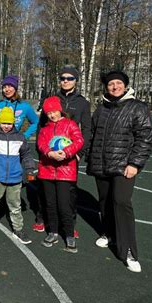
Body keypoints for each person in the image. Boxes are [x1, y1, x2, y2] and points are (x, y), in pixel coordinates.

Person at [87, 70, 152, 273]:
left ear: (125, 85)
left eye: (118, 83)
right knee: (104, 200)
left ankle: (129, 252)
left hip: (124, 166)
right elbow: (92, 134)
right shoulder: (101, 108)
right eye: (110, 84)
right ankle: (108, 234)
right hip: (102, 164)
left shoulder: (137, 107)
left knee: (121, 202)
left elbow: (145, 137)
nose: (114, 87)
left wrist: (134, 163)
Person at [33, 65, 91, 236]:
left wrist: (79, 154)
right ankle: (42, 218)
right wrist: (43, 151)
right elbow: (41, 128)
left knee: (69, 193)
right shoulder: (51, 100)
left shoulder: (82, 103)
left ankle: (69, 225)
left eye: (70, 78)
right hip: (49, 156)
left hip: (70, 157)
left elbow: (86, 130)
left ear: (75, 80)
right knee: (45, 190)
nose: (66, 81)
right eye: (63, 78)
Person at [0, 107, 36, 244]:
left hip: (15, 178)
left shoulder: (20, 138)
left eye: (9, 123)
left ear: (13, 123)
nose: (6, 126)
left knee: (15, 206)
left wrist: (30, 170)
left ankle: (18, 230)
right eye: (4, 123)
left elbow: (27, 155)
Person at [37, 96, 84, 253]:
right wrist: (50, 153)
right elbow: (41, 144)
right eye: (49, 113)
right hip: (47, 171)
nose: (52, 115)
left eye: (54, 111)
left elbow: (79, 141)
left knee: (65, 205)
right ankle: (53, 232)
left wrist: (65, 152)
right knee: (50, 205)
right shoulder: (44, 129)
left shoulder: (70, 125)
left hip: (66, 172)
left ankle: (69, 235)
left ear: (60, 110)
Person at [0, 75, 39, 139]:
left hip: (14, 143)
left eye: (10, 87)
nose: (7, 89)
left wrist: (25, 136)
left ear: (15, 88)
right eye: (4, 87)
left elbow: (36, 122)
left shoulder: (24, 106)